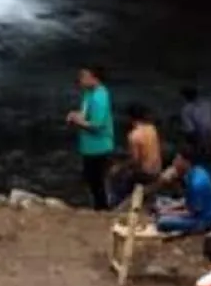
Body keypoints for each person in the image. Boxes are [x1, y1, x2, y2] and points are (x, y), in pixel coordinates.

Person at [66, 64, 114, 211]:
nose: (80, 80)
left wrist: (76, 121)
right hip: (88, 147)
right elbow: (85, 113)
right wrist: (75, 115)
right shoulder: (88, 93)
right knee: (91, 180)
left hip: (99, 147)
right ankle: (97, 207)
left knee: (98, 182)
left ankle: (102, 209)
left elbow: (96, 125)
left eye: (83, 76)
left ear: (94, 78)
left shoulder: (100, 97)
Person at [156, 148, 211, 236]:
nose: (174, 163)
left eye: (178, 160)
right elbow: (188, 201)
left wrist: (167, 212)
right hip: (197, 210)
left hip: (204, 221)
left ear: (186, 162)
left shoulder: (196, 184)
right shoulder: (195, 172)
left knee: (162, 222)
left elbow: (191, 212)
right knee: (161, 201)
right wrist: (169, 208)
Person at [108, 103, 163, 207]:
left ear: (130, 118)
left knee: (116, 175)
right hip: (156, 170)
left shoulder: (134, 136)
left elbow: (135, 160)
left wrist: (119, 166)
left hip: (145, 174)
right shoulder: (152, 129)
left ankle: (117, 203)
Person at [181, 85, 211, 162]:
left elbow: (190, 131)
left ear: (185, 97)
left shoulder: (186, 110)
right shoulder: (208, 103)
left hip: (203, 141)